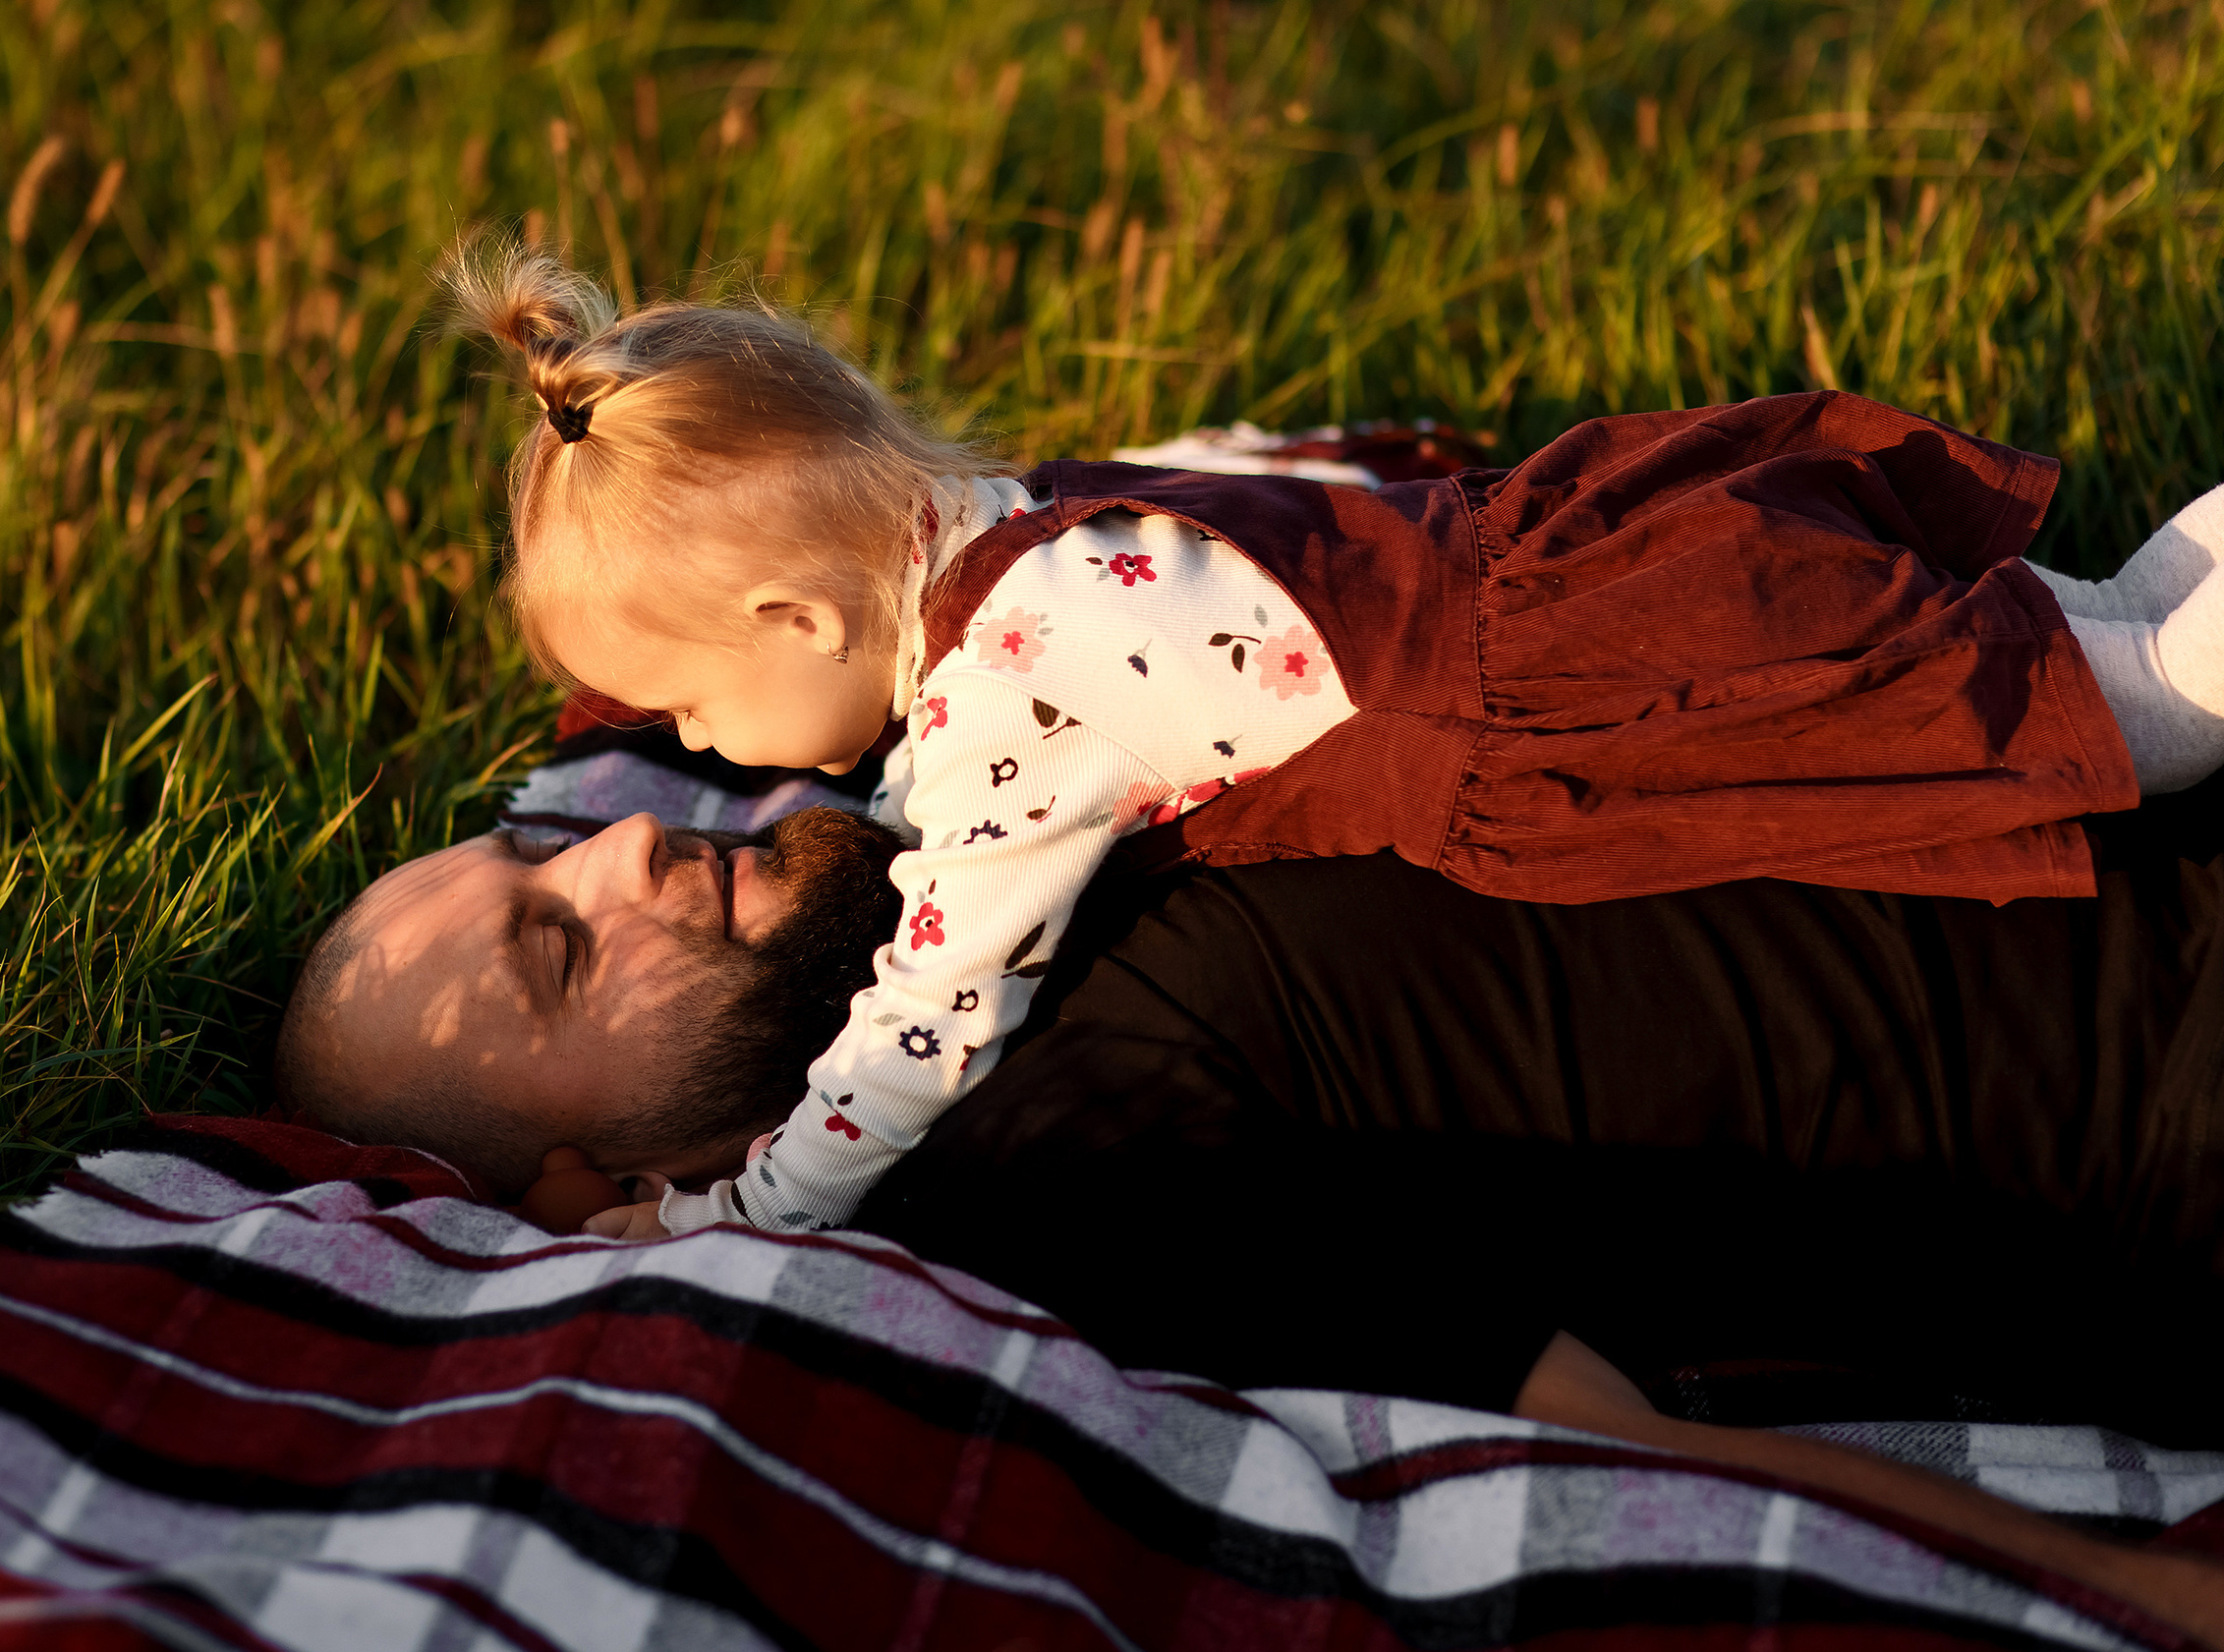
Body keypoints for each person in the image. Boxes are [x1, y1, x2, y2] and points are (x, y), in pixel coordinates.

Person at [441, 242, 2224, 1242]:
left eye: (682, 707)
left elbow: (933, 1016)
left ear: (801, 624)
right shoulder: (1020, 520)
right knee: (2094, 637)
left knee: (2110, 732)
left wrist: (746, 1213)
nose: (695, 749)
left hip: (1589, 699)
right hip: (1587, 560)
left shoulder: (1004, 705)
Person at [273, 790, 2224, 1647]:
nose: (623, 842)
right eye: (553, 946)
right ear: (599, 1187)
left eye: (539, 846)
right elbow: (1643, 1454)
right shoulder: (1053, 1177)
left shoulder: (973, 857)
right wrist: (2152, 1604)